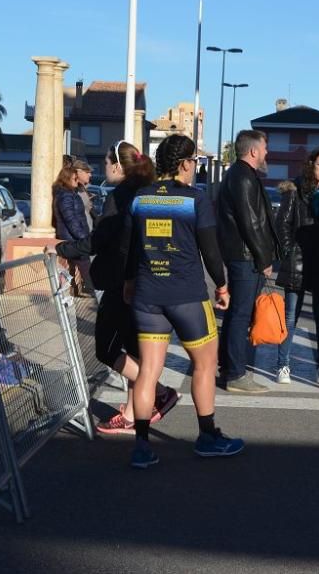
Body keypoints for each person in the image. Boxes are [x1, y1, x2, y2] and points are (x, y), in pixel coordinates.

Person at [121, 134, 242, 469]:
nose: (194, 169)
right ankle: (207, 436)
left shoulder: (140, 197)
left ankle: (142, 446)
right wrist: (222, 285)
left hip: (148, 294)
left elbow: (129, 248)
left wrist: (129, 283)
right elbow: (210, 251)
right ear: (185, 163)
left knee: (148, 370)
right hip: (186, 295)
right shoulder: (195, 199)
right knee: (204, 365)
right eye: (195, 163)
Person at [55, 142, 179, 434]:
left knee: (106, 349)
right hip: (147, 280)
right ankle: (133, 414)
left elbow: (100, 240)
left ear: (118, 167)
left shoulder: (120, 196)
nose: (103, 168)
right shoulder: (149, 192)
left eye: (107, 162)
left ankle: (159, 391)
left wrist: (62, 247)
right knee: (135, 351)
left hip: (121, 283)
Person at [216, 130, 280, 393]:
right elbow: (251, 222)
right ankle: (236, 375)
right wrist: (263, 257)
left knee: (236, 314)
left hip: (242, 255)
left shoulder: (241, 175)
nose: (266, 153)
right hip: (245, 257)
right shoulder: (243, 177)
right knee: (241, 315)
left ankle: (229, 368)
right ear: (253, 151)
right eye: (264, 148)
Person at [273, 147, 319, 385]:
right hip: (298, 260)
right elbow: (282, 223)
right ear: (311, 163)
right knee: (291, 316)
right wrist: (290, 249)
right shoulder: (295, 188)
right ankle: (283, 365)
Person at [53, 166, 93, 294]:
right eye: (75, 178)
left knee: (84, 267)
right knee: (86, 267)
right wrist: (82, 237)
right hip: (73, 238)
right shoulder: (66, 195)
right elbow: (70, 219)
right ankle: (93, 291)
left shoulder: (70, 193)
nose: (77, 180)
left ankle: (88, 289)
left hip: (74, 237)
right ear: (67, 178)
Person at [72, 158, 95, 232]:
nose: (90, 175)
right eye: (87, 172)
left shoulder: (83, 188)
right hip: (80, 234)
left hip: (88, 231)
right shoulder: (73, 190)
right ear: (78, 172)